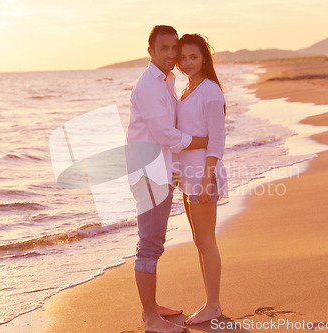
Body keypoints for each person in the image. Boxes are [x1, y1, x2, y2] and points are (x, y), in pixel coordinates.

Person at [126, 25, 208, 333]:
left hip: (160, 171)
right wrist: (203, 141)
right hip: (149, 174)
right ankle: (150, 318)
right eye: (164, 49)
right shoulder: (149, 87)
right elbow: (165, 134)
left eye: (174, 48)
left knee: (155, 242)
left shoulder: (166, 81)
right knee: (149, 244)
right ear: (151, 51)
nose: (171, 54)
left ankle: (152, 306)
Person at [175, 33, 227, 325]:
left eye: (193, 57)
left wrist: (206, 179)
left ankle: (213, 304)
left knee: (206, 241)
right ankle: (210, 302)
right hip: (188, 176)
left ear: (204, 58)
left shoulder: (210, 91)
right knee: (199, 241)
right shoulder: (187, 89)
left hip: (203, 176)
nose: (187, 62)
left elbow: (217, 140)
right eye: (183, 58)